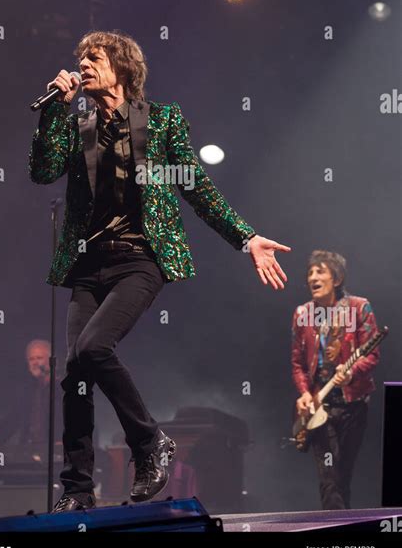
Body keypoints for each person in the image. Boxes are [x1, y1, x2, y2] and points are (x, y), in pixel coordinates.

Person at [29, 30, 290, 512]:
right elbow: (42, 171)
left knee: (93, 347)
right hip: (87, 262)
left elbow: (195, 187)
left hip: (140, 259)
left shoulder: (162, 121)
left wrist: (246, 238)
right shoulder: (78, 122)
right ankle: (77, 490)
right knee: (74, 372)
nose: (83, 65)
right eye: (80, 59)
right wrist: (53, 109)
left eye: (94, 57)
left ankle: (149, 443)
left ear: (123, 67)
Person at [291, 250, 380, 509]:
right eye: (310, 272)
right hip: (320, 406)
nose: (312, 277)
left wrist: (351, 373)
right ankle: (335, 533)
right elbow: (297, 362)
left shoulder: (359, 307)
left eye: (320, 271)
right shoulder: (302, 314)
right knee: (328, 478)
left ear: (337, 278)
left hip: (353, 403)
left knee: (343, 475)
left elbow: (372, 354)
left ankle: (343, 530)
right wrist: (305, 393)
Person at [0, 339, 61, 448]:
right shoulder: (29, 390)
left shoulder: (63, 387)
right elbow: (12, 418)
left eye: (39, 358)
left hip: (55, 449)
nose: (35, 362)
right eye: (31, 359)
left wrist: (62, 439)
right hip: (29, 448)